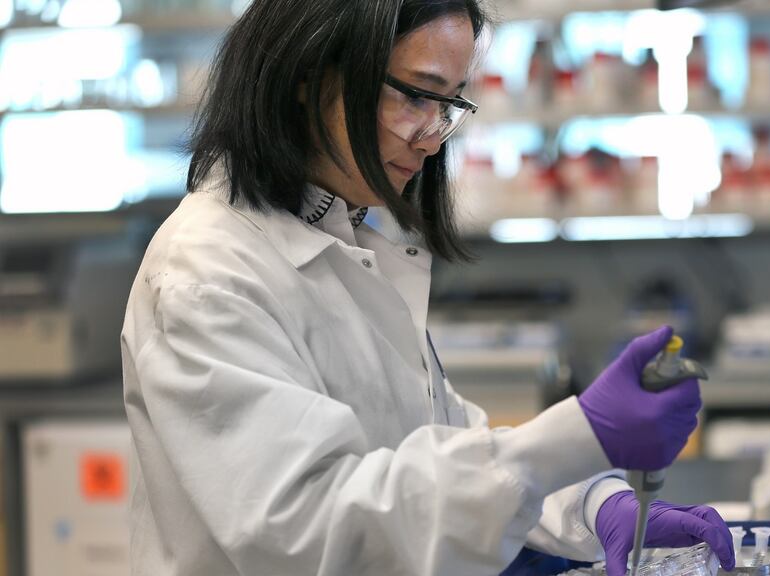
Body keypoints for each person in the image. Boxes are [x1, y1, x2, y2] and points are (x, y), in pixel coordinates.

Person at [120, 1, 736, 575]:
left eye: (449, 104)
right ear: (308, 73)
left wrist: (594, 504)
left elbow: (439, 446)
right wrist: (576, 437)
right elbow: (317, 526)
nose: (433, 134)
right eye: (417, 95)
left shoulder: (342, 238)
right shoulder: (206, 273)